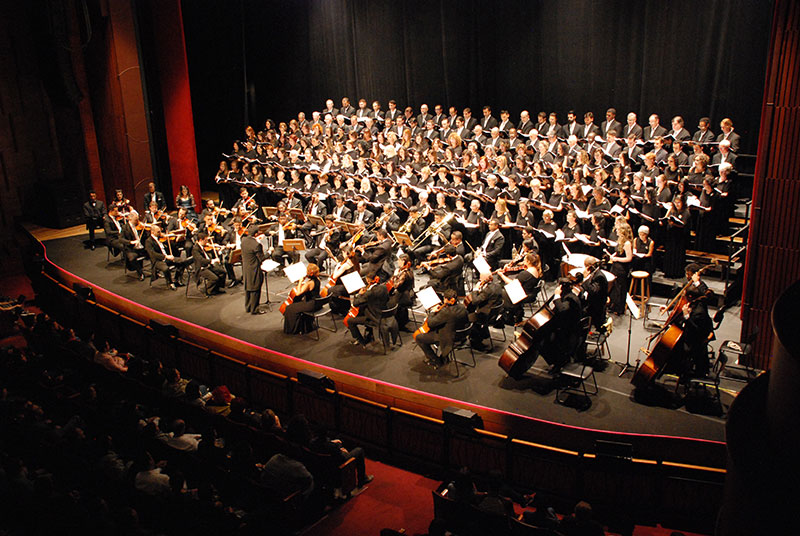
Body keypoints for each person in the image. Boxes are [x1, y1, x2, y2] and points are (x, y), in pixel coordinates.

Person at [416, 289, 469, 368]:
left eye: (444, 298)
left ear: (447, 300)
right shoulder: (462, 307)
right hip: (461, 335)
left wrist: (432, 312)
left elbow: (431, 324)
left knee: (419, 337)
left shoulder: (446, 312)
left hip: (447, 337)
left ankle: (436, 360)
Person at [498, 252, 542, 325]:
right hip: (528, 292)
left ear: (528, 262)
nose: (523, 262)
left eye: (524, 260)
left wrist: (501, 275)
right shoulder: (536, 270)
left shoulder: (525, 274)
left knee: (499, 291)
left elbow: (512, 284)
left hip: (521, 294)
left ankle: (507, 315)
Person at [347, 275, 389, 347]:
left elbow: (355, 303)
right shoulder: (384, 287)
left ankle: (361, 341)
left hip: (374, 318)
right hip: (385, 314)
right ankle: (370, 333)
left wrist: (359, 295)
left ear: (368, 280)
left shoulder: (369, 293)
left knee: (350, 321)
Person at [465, 272, 503, 350]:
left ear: (485, 279)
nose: (479, 280)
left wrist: (475, 290)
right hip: (493, 314)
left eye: (480, 279)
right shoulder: (498, 285)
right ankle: (483, 333)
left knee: (466, 317)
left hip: (485, 315)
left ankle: (475, 341)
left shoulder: (488, 290)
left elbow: (475, 301)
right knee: (471, 309)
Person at [145, 225, 191, 290]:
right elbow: (153, 254)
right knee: (165, 269)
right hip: (157, 260)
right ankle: (170, 283)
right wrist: (166, 256)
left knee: (182, 262)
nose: (160, 233)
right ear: (152, 232)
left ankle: (176, 279)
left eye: (160, 231)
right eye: (158, 232)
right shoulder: (148, 241)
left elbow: (172, 247)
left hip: (167, 257)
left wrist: (173, 240)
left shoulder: (161, 238)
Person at [282, 263, 321, 334]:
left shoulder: (309, 283)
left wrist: (300, 281)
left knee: (290, 308)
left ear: (310, 273)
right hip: (318, 302)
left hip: (311, 304)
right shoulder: (318, 279)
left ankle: (292, 330)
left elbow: (298, 293)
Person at [608, 221, 634, 315]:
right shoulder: (620, 240)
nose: (617, 232)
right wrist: (613, 256)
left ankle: (619, 308)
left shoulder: (627, 243)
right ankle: (613, 305)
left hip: (621, 268)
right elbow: (618, 251)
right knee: (614, 288)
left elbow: (629, 258)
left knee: (620, 288)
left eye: (618, 230)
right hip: (616, 265)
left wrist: (616, 259)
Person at [241, 223, 266, 314]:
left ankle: (248, 307)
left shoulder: (243, 240)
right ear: (256, 234)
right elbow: (262, 258)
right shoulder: (256, 245)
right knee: (255, 288)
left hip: (246, 268)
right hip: (254, 268)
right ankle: (254, 309)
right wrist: (270, 252)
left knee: (248, 288)